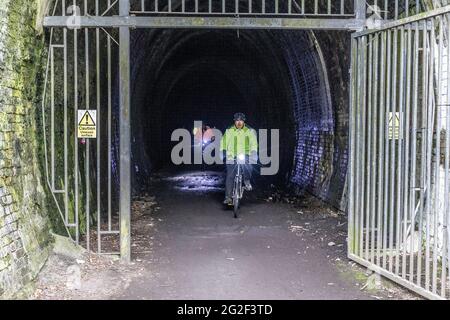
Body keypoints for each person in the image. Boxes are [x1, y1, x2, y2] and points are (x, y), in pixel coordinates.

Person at [220, 113, 258, 205]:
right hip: (231, 156)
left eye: (241, 120)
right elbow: (223, 143)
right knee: (230, 176)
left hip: (245, 155)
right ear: (234, 121)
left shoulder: (249, 131)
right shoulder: (229, 130)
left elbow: (253, 143)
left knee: (248, 167)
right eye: (237, 120)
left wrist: (253, 152)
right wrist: (223, 152)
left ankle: (246, 180)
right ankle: (228, 198)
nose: (239, 122)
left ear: (244, 121)